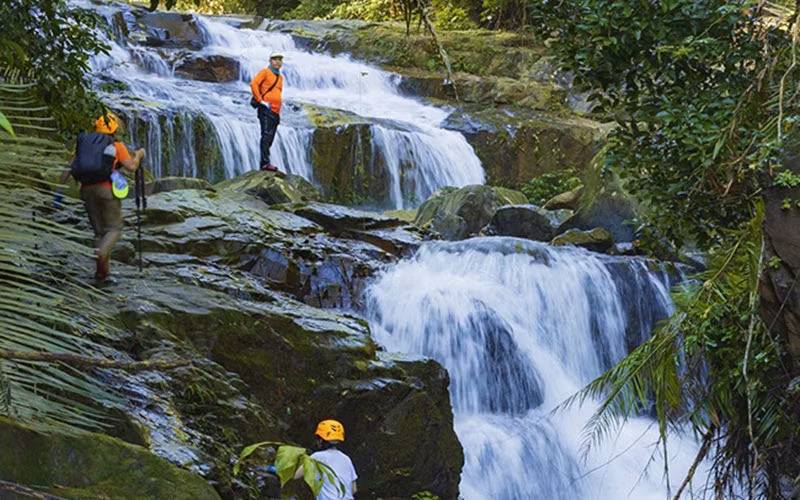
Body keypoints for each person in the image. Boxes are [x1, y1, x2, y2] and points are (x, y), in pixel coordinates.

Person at [60, 112, 145, 281]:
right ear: (114, 131)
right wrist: (139, 155)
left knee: (99, 233)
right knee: (114, 229)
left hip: (86, 191)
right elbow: (131, 167)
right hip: (106, 190)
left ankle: (102, 273)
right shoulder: (116, 146)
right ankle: (101, 253)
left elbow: (68, 168)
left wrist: (58, 190)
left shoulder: (85, 147)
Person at [293, 419, 358, 500]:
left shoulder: (318, 457)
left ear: (320, 440)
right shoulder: (346, 459)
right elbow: (354, 489)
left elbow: (295, 475)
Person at [249, 53, 284, 172]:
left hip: (275, 111)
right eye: (275, 59)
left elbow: (277, 93)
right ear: (270, 61)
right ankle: (265, 163)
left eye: (280, 60)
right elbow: (254, 83)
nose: (278, 62)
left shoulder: (280, 77)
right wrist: (260, 100)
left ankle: (265, 162)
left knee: (270, 137)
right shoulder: (265, 72)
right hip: (266, 109)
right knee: (266, 135)